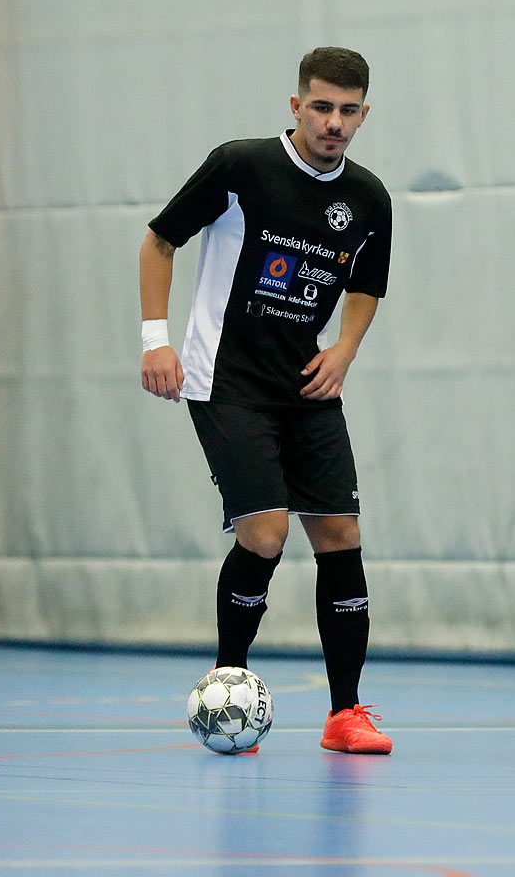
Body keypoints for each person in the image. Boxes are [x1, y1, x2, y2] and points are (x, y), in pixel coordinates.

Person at [139, 46, 395, 754]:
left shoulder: (369, 198)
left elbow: (366, 285)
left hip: (307, 386)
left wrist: (344, 349)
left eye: (348, 111)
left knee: (340, 535)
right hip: (225, 381)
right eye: (321, 107)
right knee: (266, 534)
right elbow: (159, 241)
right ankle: (231, 689)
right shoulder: (241, 167)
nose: (334, 122)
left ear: (364, 114)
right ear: (296, 106)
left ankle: (346, 715)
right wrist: (154, 340)